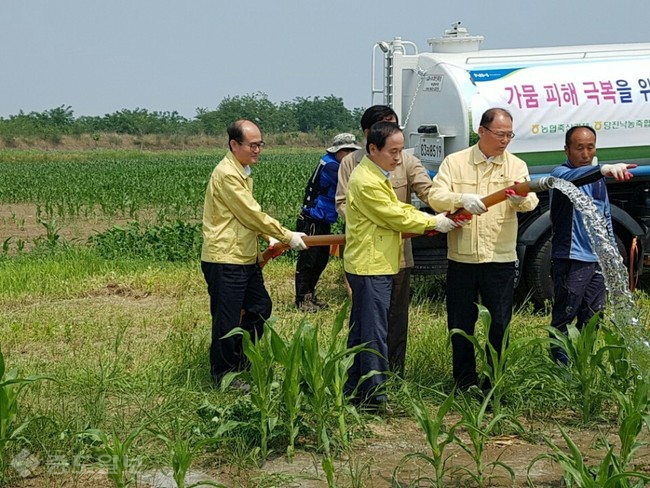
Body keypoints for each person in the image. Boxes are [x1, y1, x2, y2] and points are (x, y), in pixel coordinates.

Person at [344, 121, 459, 409]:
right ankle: (374, 398)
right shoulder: (367, 180)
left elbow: (400, 209)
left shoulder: (375, 174)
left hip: (372, 262)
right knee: (374, 334)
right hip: (371, 265)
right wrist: (434, 221)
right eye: (393, 152)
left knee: (363, 332)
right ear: (373, 149)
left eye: (400, 151)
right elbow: (395, 215)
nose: (398, 158)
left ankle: (354, 391)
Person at [428, 107, 539, 391]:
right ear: (481, 131)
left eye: (509, 135)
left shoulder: (515, 165)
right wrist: (460, 198)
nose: (505, 140)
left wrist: (519, 199)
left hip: (499, 258)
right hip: (462, 258)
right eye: (500, 134)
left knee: (499, 324)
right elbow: (435, 196)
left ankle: (493, 382)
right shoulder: (456, 162)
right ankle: (464, 382)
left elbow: (531, 202)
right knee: (461, 323)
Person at [201, 120, 308, 387]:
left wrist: (268, 236)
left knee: (260, 307)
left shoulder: (242, 171)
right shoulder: (227, 174)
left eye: (260, 144)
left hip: (244, 256)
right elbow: (249, 212)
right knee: (227, 319)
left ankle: (240, 361)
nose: (258, 150)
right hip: (226, 258)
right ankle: (223, 375)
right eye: (252, 145)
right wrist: (286, 235)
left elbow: (246, 215)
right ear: (234, 144)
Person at [336, 105, 433, 374]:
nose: (398, 154)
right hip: (370, 256)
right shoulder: (357, 169)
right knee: (371, 325)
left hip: (398, 254)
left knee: (395, 318)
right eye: (384, 129)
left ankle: (393, 373)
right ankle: (372, 387)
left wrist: (453, 204)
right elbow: (362, 208)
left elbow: (426, 193)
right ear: (370, 139)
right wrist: (434, 222)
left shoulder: (404, 162)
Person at [549, 125, 636, 363]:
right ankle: (561, 371)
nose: (585, 154)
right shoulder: (561, 174)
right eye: (579, 148)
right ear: (566, 149)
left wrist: (610, 253)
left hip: (596, 260)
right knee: (565, 316)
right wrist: (604, 168)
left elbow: (604, 214)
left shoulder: (598, 179)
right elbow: (575, 178)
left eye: (590, 147)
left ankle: (584, 365)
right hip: (571, 258)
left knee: (594, 315)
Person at [295, 133, 361, 312]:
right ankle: (302, 299)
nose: (350, 154)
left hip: (322, 220)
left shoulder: (332, 163)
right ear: (337, 151)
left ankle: (310, 296)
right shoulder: (332, 167)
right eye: (346, 150)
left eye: (352, 150)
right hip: (312, 220)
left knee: (320, 260)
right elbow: (354, 182)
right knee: (309, 261)